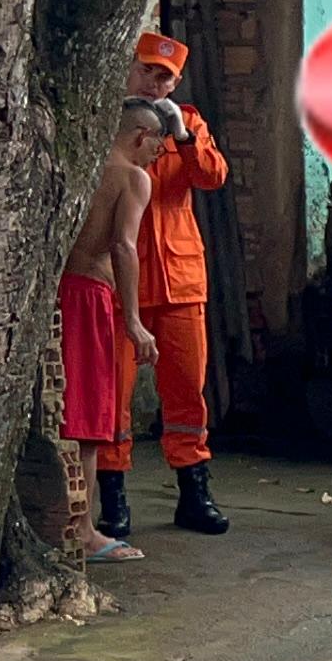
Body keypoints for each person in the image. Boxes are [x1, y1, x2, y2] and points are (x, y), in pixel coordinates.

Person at [102, 31, 233, 537]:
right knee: (114, 394)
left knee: (186, 394)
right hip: (120, 279)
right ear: (129, 70)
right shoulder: (111, 123)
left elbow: (212, 177)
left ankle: (194, 492)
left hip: (179, 277)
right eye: (147, 71)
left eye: (165, 76)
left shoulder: (190, 123)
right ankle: (114, 501)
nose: (155, 83)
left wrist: (180, 133)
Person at [61, 99, 172, 564]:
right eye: (158, 150)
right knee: (87, 420)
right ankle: (84, 532)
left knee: (64, 412)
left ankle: (65, 522)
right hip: (89, 297)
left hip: (60, 291)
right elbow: (125, 247)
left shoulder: (81, 166)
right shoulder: (132, 177)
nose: (155, 161)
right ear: (141, 137)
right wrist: (132, 319)